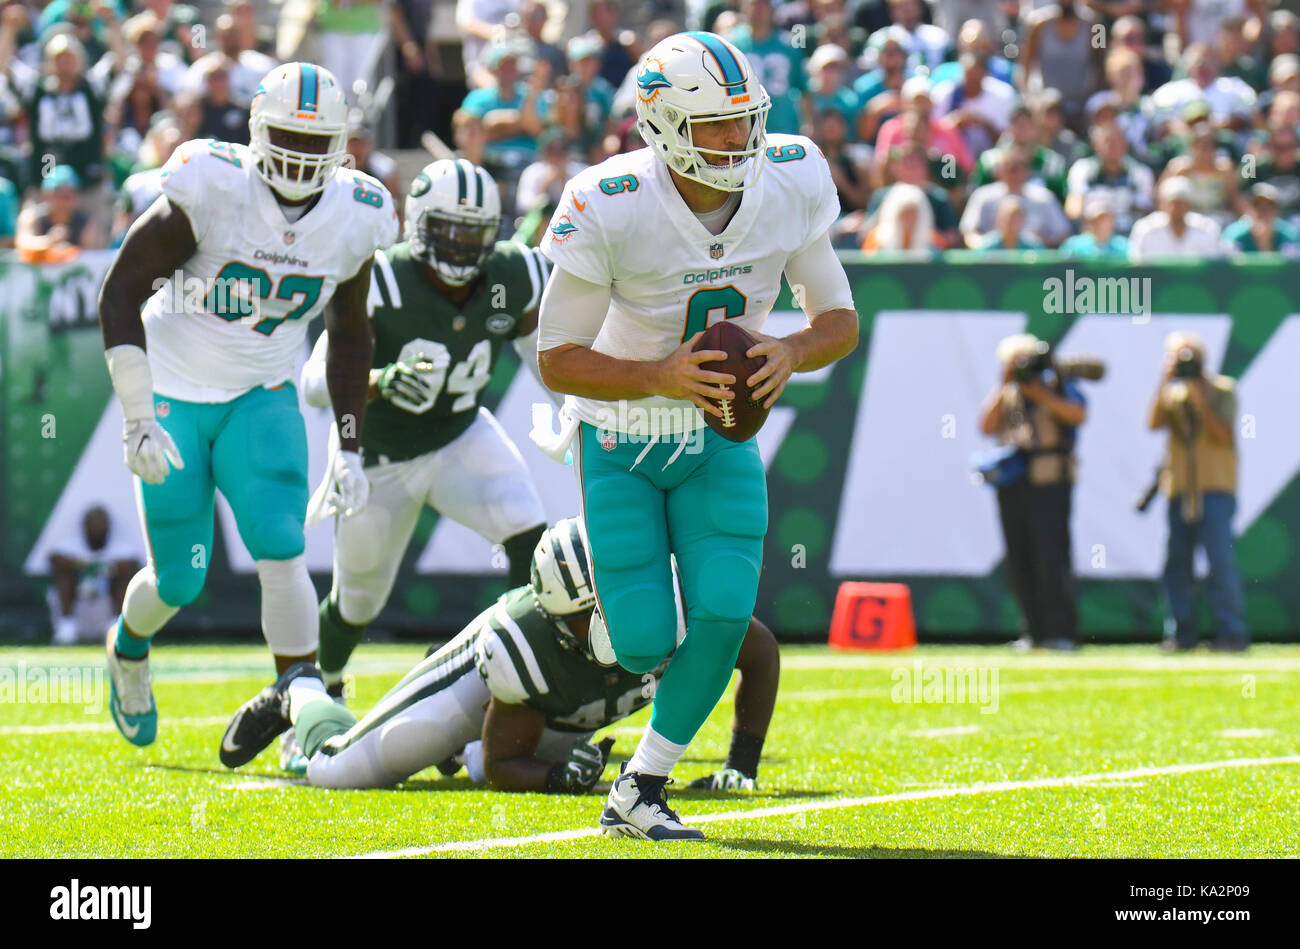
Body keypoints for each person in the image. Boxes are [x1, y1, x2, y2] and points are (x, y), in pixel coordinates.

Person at [536, 31, 858, 840]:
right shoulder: (607, 199)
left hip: (720, 433)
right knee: (643, 642)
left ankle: (641, 786)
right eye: (715, 125)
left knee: (721, 611)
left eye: (746, 120)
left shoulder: (789, 177)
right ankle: (605, 603)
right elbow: (555, 360)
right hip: (623, 435)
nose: (737, 140)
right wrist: (657, 374)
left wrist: (789, 348)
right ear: (662, 124)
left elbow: (840, 321)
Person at [96, 62, 398, 749]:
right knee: (181, 577)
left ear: (342, 145)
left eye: (316, 140)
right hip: (173, 394)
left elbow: (351, 331)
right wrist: (137, 412)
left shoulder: (357, 214)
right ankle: (128, 645)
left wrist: (349, 444)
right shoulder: (212, 185)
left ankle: (298, 700)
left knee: (281, 541)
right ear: (258, 131)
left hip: (261, 393)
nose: (301, 152)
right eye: (288, 134)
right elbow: (120, 291)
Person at [297, 158, 550, 769]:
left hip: (462, 435)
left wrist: (571, 408)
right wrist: (379, 380)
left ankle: (505, 684)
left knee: (529, 533)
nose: (463, 248)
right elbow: (312, 384)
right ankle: (319, 688)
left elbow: (537, 346)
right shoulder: (379, 276)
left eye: (474, 234)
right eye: (449, 232)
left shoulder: (513, 272)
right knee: (357, 600)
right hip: (381, 454)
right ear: (416, 225)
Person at [219, 519, 781, 792]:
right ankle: (301, 688)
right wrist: (560, 777)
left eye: (612, 602)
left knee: (484, 763)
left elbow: (759, 653)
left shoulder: (673, 606)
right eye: (589, 615)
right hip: (483, 680)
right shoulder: (529, 645)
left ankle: (458, 752)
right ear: (559, 621)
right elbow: (508, 763)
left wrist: (741, 766)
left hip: (558, 705)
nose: (608, 622)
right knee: (342, 772)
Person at [979, 334, 1087, 651]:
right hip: (1013, 481)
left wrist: (1039, 393)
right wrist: (1005, 386)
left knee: (1051, 555)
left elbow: (1077, 414)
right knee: (1019, 557)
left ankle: (1062, 632)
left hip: (1050, 480)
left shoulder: (1056, 386)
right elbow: (986, 426)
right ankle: (1034, 631)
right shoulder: (1007, 392)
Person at [1146, 333, 1247, 651]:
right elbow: (1152, 423)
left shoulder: (1223, 390)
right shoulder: (1171, 393)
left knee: (1220, 561)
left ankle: (1231, 633)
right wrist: (1164, 382)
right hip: (1180, 489)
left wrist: (1200, 399)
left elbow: (1222, 434)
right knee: (1176, 564)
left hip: (1215, 489)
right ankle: (1181, 633)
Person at [47, 505, 140, 645]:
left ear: (109, 527)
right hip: (78, 611)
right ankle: (67, 627)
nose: (97, 529)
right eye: (92, 524)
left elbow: (132, 564)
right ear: (84, 526)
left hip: (106, 611)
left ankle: (117, 626)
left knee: (124, 579)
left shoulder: (121, 549)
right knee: (64, 575)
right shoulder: (70, 547)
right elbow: (55, 560)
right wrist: (83, 565)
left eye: (101, 524)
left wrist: (105, 567)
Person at [1128, 175, 1223, 261]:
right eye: (1173, 203)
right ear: (1162, 204)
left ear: (1190, 205)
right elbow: (1137, 266)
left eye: (1182, 203)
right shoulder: (1145, 228)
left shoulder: (1207, 228)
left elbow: (1213, 267)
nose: (1176, 208)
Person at [1222, 182, 1300, 252]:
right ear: (1248, 208)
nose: (1263, 210)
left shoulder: (1290, 234)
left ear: (1277, 210)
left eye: (1269, 205)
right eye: (1257, 205)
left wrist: (1265, 244)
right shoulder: (1234, 233)